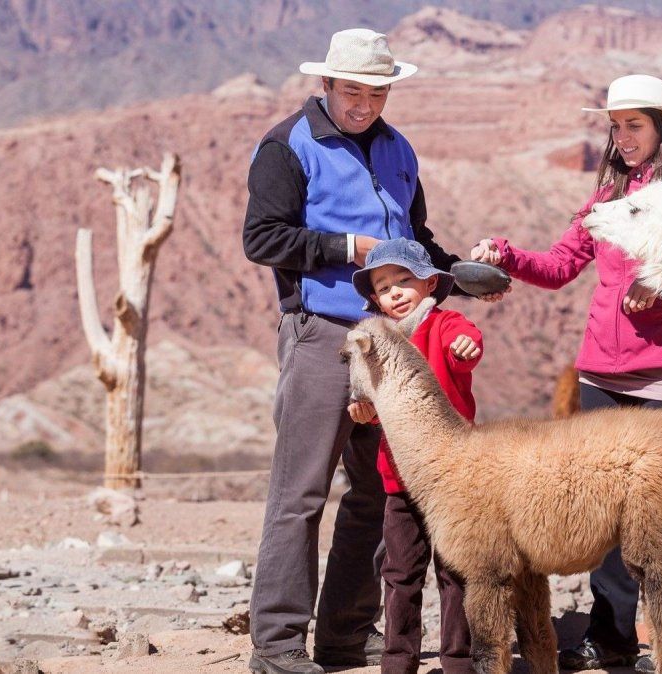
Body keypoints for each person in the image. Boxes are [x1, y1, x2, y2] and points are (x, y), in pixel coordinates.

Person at [469, 74, 662, 673]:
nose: (622, 136)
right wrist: (505, 255)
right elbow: (561, 265)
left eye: (634, 124)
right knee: (604, 516)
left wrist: (655, 285)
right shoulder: (606, 194)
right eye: (615, 125)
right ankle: (610, 639)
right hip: (601, 377)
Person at [241, 28, 468, 674]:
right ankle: (278, 646)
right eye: (352, 93)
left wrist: (459, 274)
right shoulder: (288, 146)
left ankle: (343, 634)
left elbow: (412, 240)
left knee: (377, 491)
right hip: (323, 335)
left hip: (392, 344)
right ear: (327, 85)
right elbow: (262, 238)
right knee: (301, 491)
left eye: (376, 93)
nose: (364, 105)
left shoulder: (399, 151)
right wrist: (350, 250)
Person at [348, 238, 483, 674]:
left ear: (429, 283)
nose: (395, 292)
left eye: (404, 280)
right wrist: (363, 411)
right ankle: (397, 660)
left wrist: (467, 348)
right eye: (384, 288)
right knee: (401, 572)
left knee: (455, 571)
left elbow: (467, 344)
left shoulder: (446, 325)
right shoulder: (376, 343)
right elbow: (370, 405)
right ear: (376, 300)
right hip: (400, 479)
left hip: (452, 477)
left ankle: (458, 660)